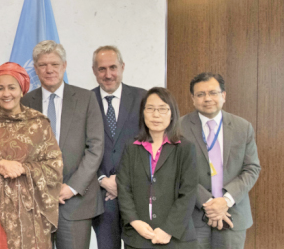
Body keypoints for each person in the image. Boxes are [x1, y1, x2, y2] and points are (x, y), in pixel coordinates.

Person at [0, 62, 63, 249]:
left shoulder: (38, 123)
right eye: (0, 88)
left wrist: (24, 168)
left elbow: (54, 166)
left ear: (22, 89)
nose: (6, 93)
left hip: (29, 211)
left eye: (11, 87)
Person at [21, 40, 104, 249]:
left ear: (64, 65)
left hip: (75, 202)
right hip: (36, 203)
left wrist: (73, 187)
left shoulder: (86, 98)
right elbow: (20, 150)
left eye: (55, 64)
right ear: (35, 68)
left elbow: (95, 148)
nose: (49, 70)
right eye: (43, 65)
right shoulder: (25, 102)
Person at [180, 73, 260, 249]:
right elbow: (178, 172)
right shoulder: (179, 128)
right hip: (193, 215)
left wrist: (226, 201)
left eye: (213, 93)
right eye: (200, 94)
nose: (207, 98)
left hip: (233, 215)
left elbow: (252, 168)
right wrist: (209, 203)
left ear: (223, 95)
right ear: (193, 98)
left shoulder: (242, 127)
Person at [117, 87, 198, 248]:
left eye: (162, 109)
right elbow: (123, 188)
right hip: (138, 237)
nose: (156, 115)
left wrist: (168, 229)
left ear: (172, 114)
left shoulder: (185, 148)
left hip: (175, 238)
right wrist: (134, 221)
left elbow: (188, 193)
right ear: (143, 113)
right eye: (150, 109)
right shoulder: (131, 147)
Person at [90, 46, 147, 249]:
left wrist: (122, 180)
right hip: (101, 196)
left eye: (113, 67)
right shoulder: (84, 101)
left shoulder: (143, 98)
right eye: (102, 69)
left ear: (122, 67)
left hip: (137, 194)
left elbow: (150, 144)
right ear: (94, 71)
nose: (108, 74)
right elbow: (79, 147)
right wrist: (101, 179)